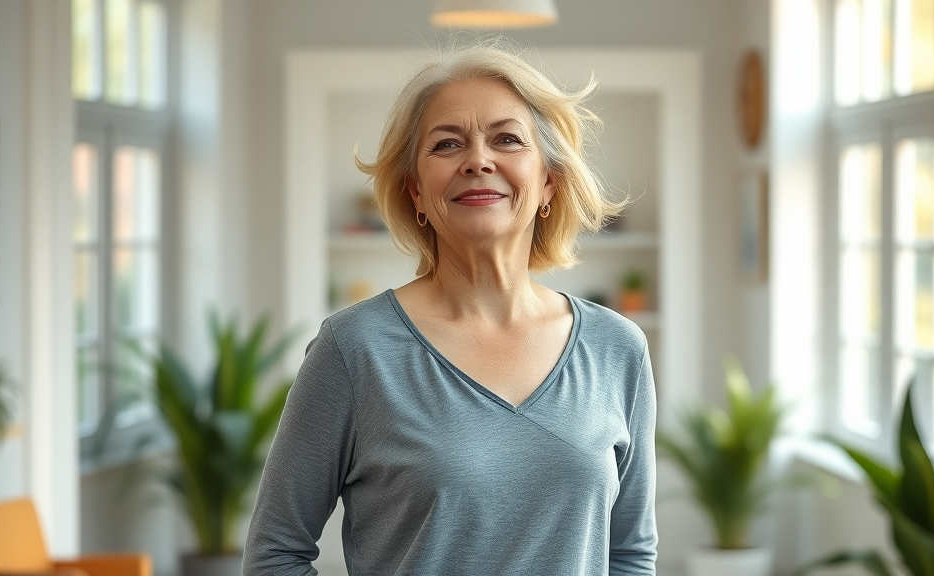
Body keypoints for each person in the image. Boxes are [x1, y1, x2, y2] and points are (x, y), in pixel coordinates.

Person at [243, 38, 658, 576]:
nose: (478, 161)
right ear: (416, 190)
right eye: (446, 145)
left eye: (507, 139)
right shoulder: (354, 350)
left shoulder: (617, 348)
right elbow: (276, 553)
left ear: (549, 181)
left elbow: (629, 554)